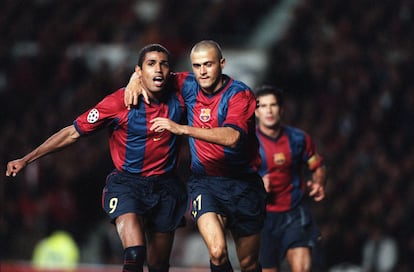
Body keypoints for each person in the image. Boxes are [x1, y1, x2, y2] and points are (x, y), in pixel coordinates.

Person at [5, 44, 187, 272]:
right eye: (151, 64)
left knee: (158, 265)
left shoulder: (182, 89)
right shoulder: (118, 102)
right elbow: (72, 132)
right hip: (128, 185)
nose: (158, 69)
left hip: (166, 188)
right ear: (139, 71)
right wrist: (27, 158)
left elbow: (208, 75)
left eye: (163, 64)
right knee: (134, 253)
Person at [125, 40, 267, 272]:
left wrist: (183, 129)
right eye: (197, 66)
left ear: (222, 63)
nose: (202, 71)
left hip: (244, 184)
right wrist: (134, 79)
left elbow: (232, 137)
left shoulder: (239, 94)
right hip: (206, 183)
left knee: (249, 264)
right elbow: (154, 74)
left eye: (208, 65)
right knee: (217, 251)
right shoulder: (188, 84)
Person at [254, 85, 327, 272]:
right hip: (262, 218)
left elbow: (317, 165)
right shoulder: (246, 143)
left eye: (273, 105)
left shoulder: (299, 139)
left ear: (282, 109)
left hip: (294, 212)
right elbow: (232, 179)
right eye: (263, 106)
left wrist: (319, 182)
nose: (269, 110)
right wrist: (255, 184)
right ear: (255, 111)